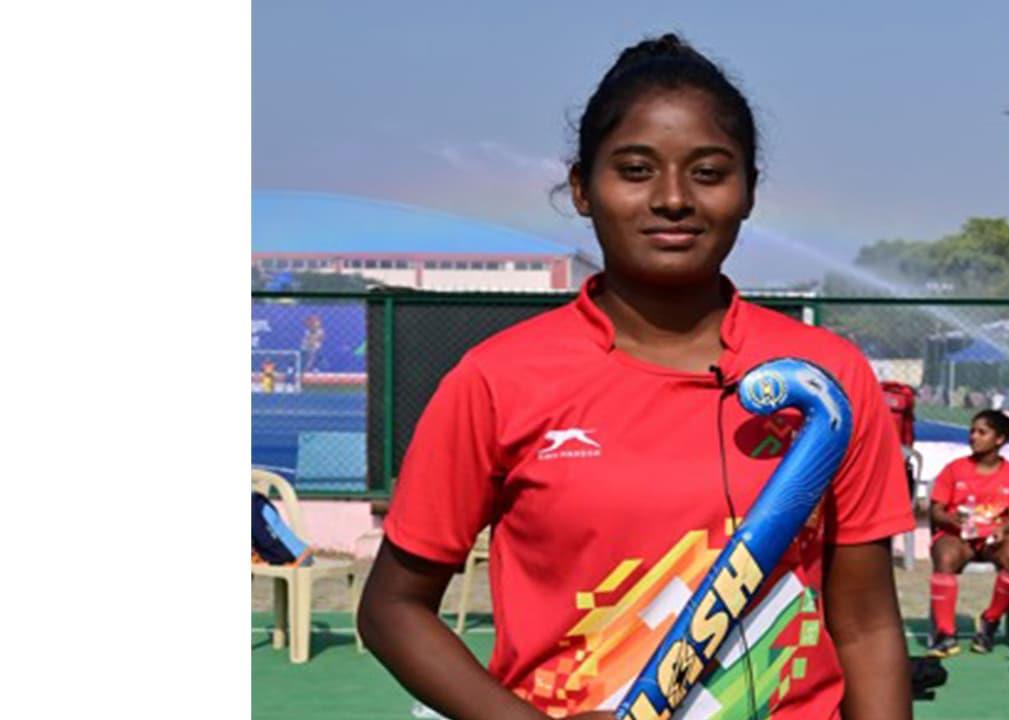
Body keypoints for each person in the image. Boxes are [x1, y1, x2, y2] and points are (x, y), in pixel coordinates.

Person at [358, 33, 915, 720]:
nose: (673, 198)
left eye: (708, 172)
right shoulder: (498, 379)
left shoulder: (828, 380)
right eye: (635, 170)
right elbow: (392, 609)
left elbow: (867, 627)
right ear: (581, 189)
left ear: (749, 190)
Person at [925, 409, 1009, 658]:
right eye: (972, 431)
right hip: (957, 538)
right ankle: (945, 634)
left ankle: (990, 621)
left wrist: (1003, 529)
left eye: (982, 432)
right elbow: (936, 511)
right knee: (945, 557)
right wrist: (950, 519)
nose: (973, 436)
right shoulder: (954, 469)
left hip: (994, 539)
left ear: (999, 439)